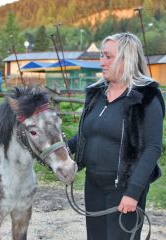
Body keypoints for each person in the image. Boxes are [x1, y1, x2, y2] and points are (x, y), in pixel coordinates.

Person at [68, 32, 164, 240]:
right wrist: (57, 154)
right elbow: (86, 136)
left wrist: (133, 192)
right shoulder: (96, 94)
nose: (101, 62)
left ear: (127, 59)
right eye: (101, 56)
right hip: (93, 184)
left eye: (108, 57)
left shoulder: (147, 97)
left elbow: (153, 147)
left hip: (124, 189)